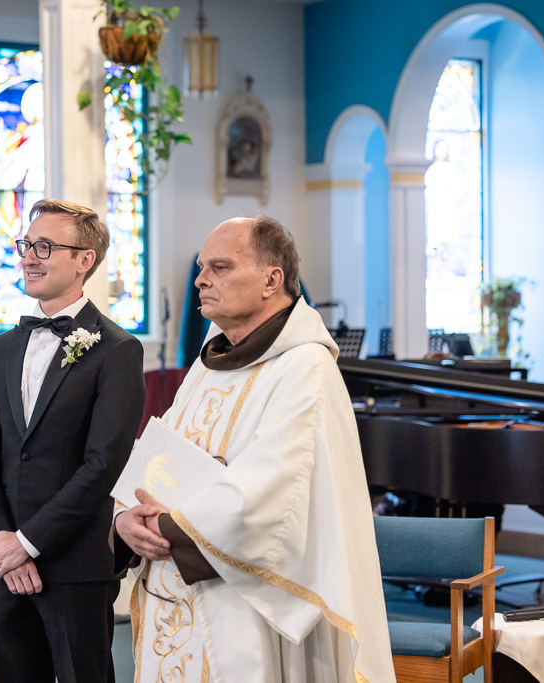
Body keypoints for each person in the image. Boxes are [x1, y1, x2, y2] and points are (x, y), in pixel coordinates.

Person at [114, 216, 395, 683]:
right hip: (172, 587)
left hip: (246, 605)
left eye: (219, 267)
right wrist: (124, 517)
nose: (201, 279)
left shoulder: (305, 367)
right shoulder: (212, 362)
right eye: (203, 267)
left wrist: (165, 526)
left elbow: (271, 494)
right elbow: (159, 461)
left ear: (272, 279)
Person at [0, 199, 145, 683]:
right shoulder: (2, 348)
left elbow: (104, 464)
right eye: (26, 244)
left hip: (74, 562)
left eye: (44, 246)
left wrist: (30, 542)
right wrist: (3, 541)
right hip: (2, 563)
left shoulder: (118, 350)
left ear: (84, 260)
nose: (28, 256)